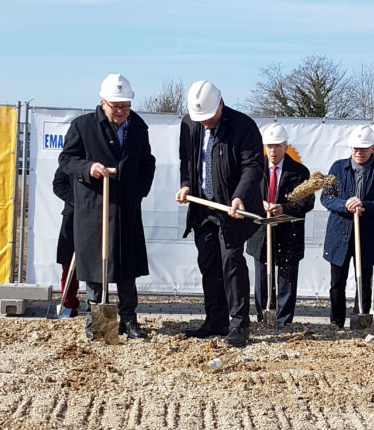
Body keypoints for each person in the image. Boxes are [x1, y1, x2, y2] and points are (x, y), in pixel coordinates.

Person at [59, 74, 156, 340]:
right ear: (103, 102)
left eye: (125, 105)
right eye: (116, 106)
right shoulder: (83, 126)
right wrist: (88, 168)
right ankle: (97, 322)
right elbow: (67, 159)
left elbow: (148, 162)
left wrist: (139, 192)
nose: (122, 111)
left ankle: (129, 319)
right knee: (95, 269)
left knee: (127, 268)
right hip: (95, 209)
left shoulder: (138, 127)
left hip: (126, 209)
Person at [175, 80, 264, 347]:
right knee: (209, 263)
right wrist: (186, 185)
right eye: (199, 119)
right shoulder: (189, 124)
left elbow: (253, 166)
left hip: (232, 209)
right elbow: (188, 160)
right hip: (202, 207)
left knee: (232, 264)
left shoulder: (243, 126)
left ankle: (239, 324)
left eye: (209, 118)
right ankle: (216, 320)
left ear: (221, 105)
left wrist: (240, 196)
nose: (204, 123)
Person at [320, 125, 374, 329]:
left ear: (373, 147)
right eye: (355, 148)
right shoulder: (337, 168)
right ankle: (336, 322)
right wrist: (345, 204)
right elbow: (326, 198)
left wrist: (365, 205)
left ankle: (359, 319)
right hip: (340, 233)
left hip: (367, 234)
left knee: (364, 281)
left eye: (363, 148)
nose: (358, 152)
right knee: (337, 282)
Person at [246, 123, 314, 326]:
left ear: (286, 146)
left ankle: (284, 321)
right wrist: (260, 204)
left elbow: (307, 202)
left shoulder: (300, 172)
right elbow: (245, 193)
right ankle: (263, 316)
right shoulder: (255, 169)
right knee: (262, 278)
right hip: (261, 233)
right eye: (269, 146)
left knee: (287, 279)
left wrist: (284, 208)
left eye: (277, 146)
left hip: (288, 233)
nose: (273, 151)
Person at [52, 166, 79, 316]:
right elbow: (59, 184)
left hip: (99, 215)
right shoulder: (70, 158)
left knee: (98, 263)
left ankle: (96, 304)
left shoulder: (101, 152)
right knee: (68, 263)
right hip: (73, 215)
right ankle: (68, 304)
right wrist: (78, 200)